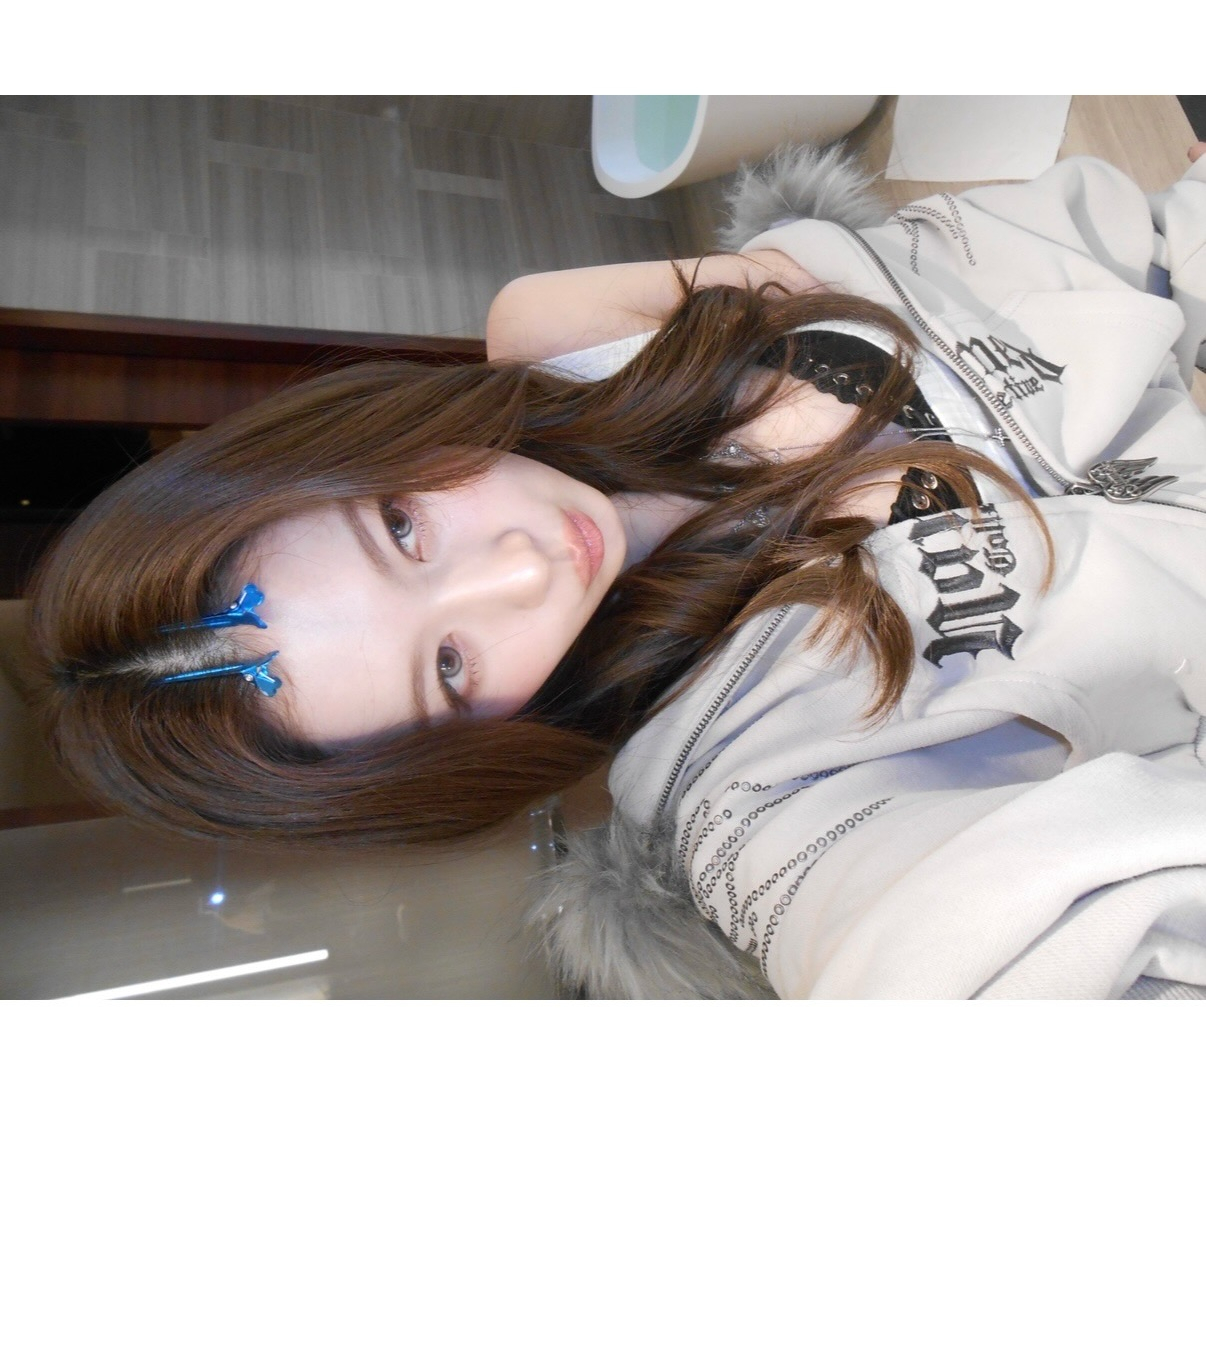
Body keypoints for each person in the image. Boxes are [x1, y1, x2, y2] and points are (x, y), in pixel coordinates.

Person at [26, 139, 1206, 999]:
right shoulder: (754, 792)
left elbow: (951, 262)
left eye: (403, 527)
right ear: (463, 749)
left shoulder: (563, 333)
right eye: (450, 664)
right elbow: (951, 938)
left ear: (365, 440)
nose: (522, 570)